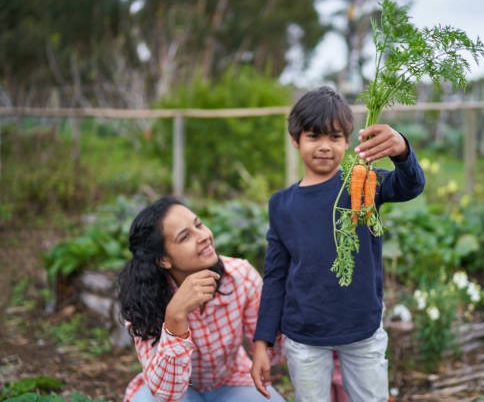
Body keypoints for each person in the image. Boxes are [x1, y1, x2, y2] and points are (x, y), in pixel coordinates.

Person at [251, 86, 425, 402]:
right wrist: (262, 341)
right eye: (313, 137)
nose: (324, 146)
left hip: (362, 327)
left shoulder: (363, 182)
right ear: (295, 140)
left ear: (347, 141)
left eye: (334, 137)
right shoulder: (281, 204)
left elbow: (410, 186)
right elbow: (275, 276)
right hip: (305, 333)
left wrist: (401, 152)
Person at [118, 196, 285, 402]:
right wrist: (175, 316)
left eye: (199, 225)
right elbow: (166, 394)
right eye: (184, 237)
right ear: (164, 259)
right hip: (177, 391)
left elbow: (272, 353)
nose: (203, 236)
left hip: (232, 382)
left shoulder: (240, 276)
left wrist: (266, 345)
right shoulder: (143, 301)